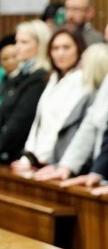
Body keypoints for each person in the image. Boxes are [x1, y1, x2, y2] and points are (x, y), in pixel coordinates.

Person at [11, 28, 89, 172]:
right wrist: (28, 157)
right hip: (36, 160)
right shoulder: (52, 79)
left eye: (66, 47)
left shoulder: (83, 82)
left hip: (58, 162)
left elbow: (62, 126)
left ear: (79, 49)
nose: (60, 53)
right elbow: (39, 123)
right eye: (55, 48)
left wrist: (48, 160)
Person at [0, 20, 51, 164]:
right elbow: (0, 113)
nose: (17, 48)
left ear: (40, 45)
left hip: (19, 155)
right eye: (17, 42)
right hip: (3, 151)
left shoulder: (40, 78)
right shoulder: (20, 75)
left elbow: (21, 119)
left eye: (24, 42)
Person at [33, 44, 108, 181]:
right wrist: (63, 165)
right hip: (94, 171)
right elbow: (87, 129)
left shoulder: (89, 94)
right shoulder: (93, 94)